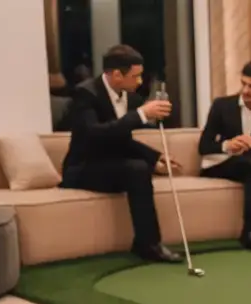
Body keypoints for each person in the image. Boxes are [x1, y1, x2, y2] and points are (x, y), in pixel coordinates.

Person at [59, 45, 182, 263]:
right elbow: (94, 135)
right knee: (137, 169)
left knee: (139, 167)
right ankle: (149, 244)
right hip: (82, 169)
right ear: (116, 74)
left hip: (110, 166)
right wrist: (140, 115)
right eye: (135, 76)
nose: (140, 82)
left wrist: (155, 157)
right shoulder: (85, 94)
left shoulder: (130, 98)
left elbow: (121, 139)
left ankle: (145, 243)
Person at [198, 60, 251, 250]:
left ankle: (249, 231)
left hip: (250, 166)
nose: (245, 90)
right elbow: (203, 146)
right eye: (243, 84)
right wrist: (228, 145)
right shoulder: (221, 106)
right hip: (221, 164)